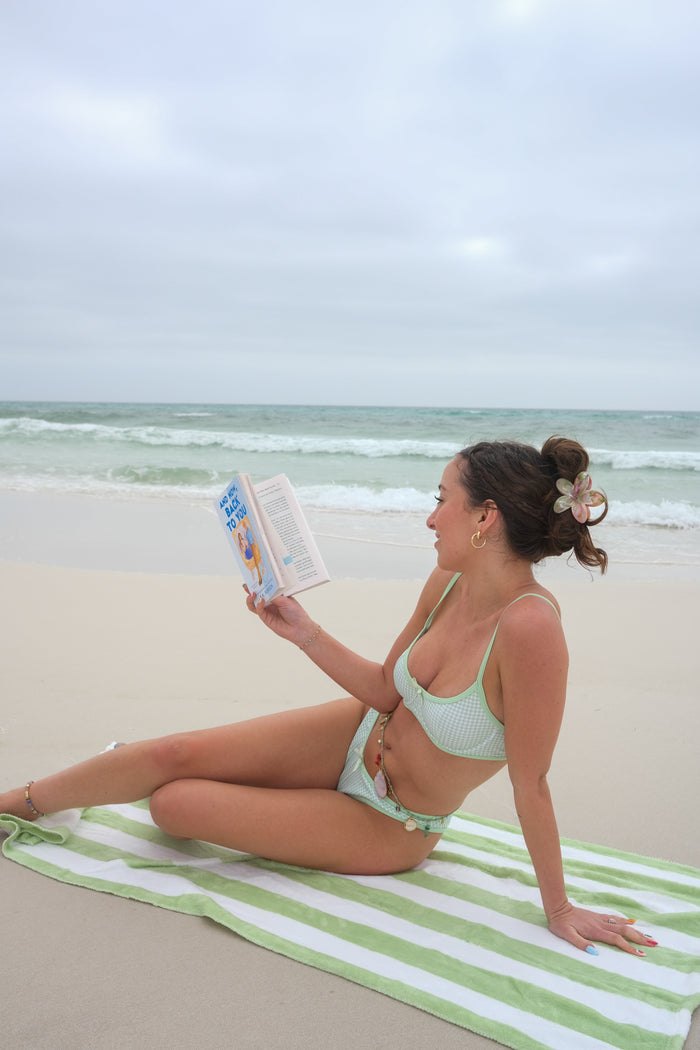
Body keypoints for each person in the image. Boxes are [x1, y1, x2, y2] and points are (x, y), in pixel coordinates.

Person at [0, 437, 656, 958]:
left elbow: (532, 783)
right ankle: (19, 803)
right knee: (172, 751)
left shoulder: (531, 629)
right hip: (356, 730)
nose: (429, 516)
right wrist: (304, 633)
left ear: (485, 518)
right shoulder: (448, 581)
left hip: (391, 821)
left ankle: (176, 785)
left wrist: (559, 908)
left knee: (174, 806)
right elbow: (382, 687)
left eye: (441, 499)